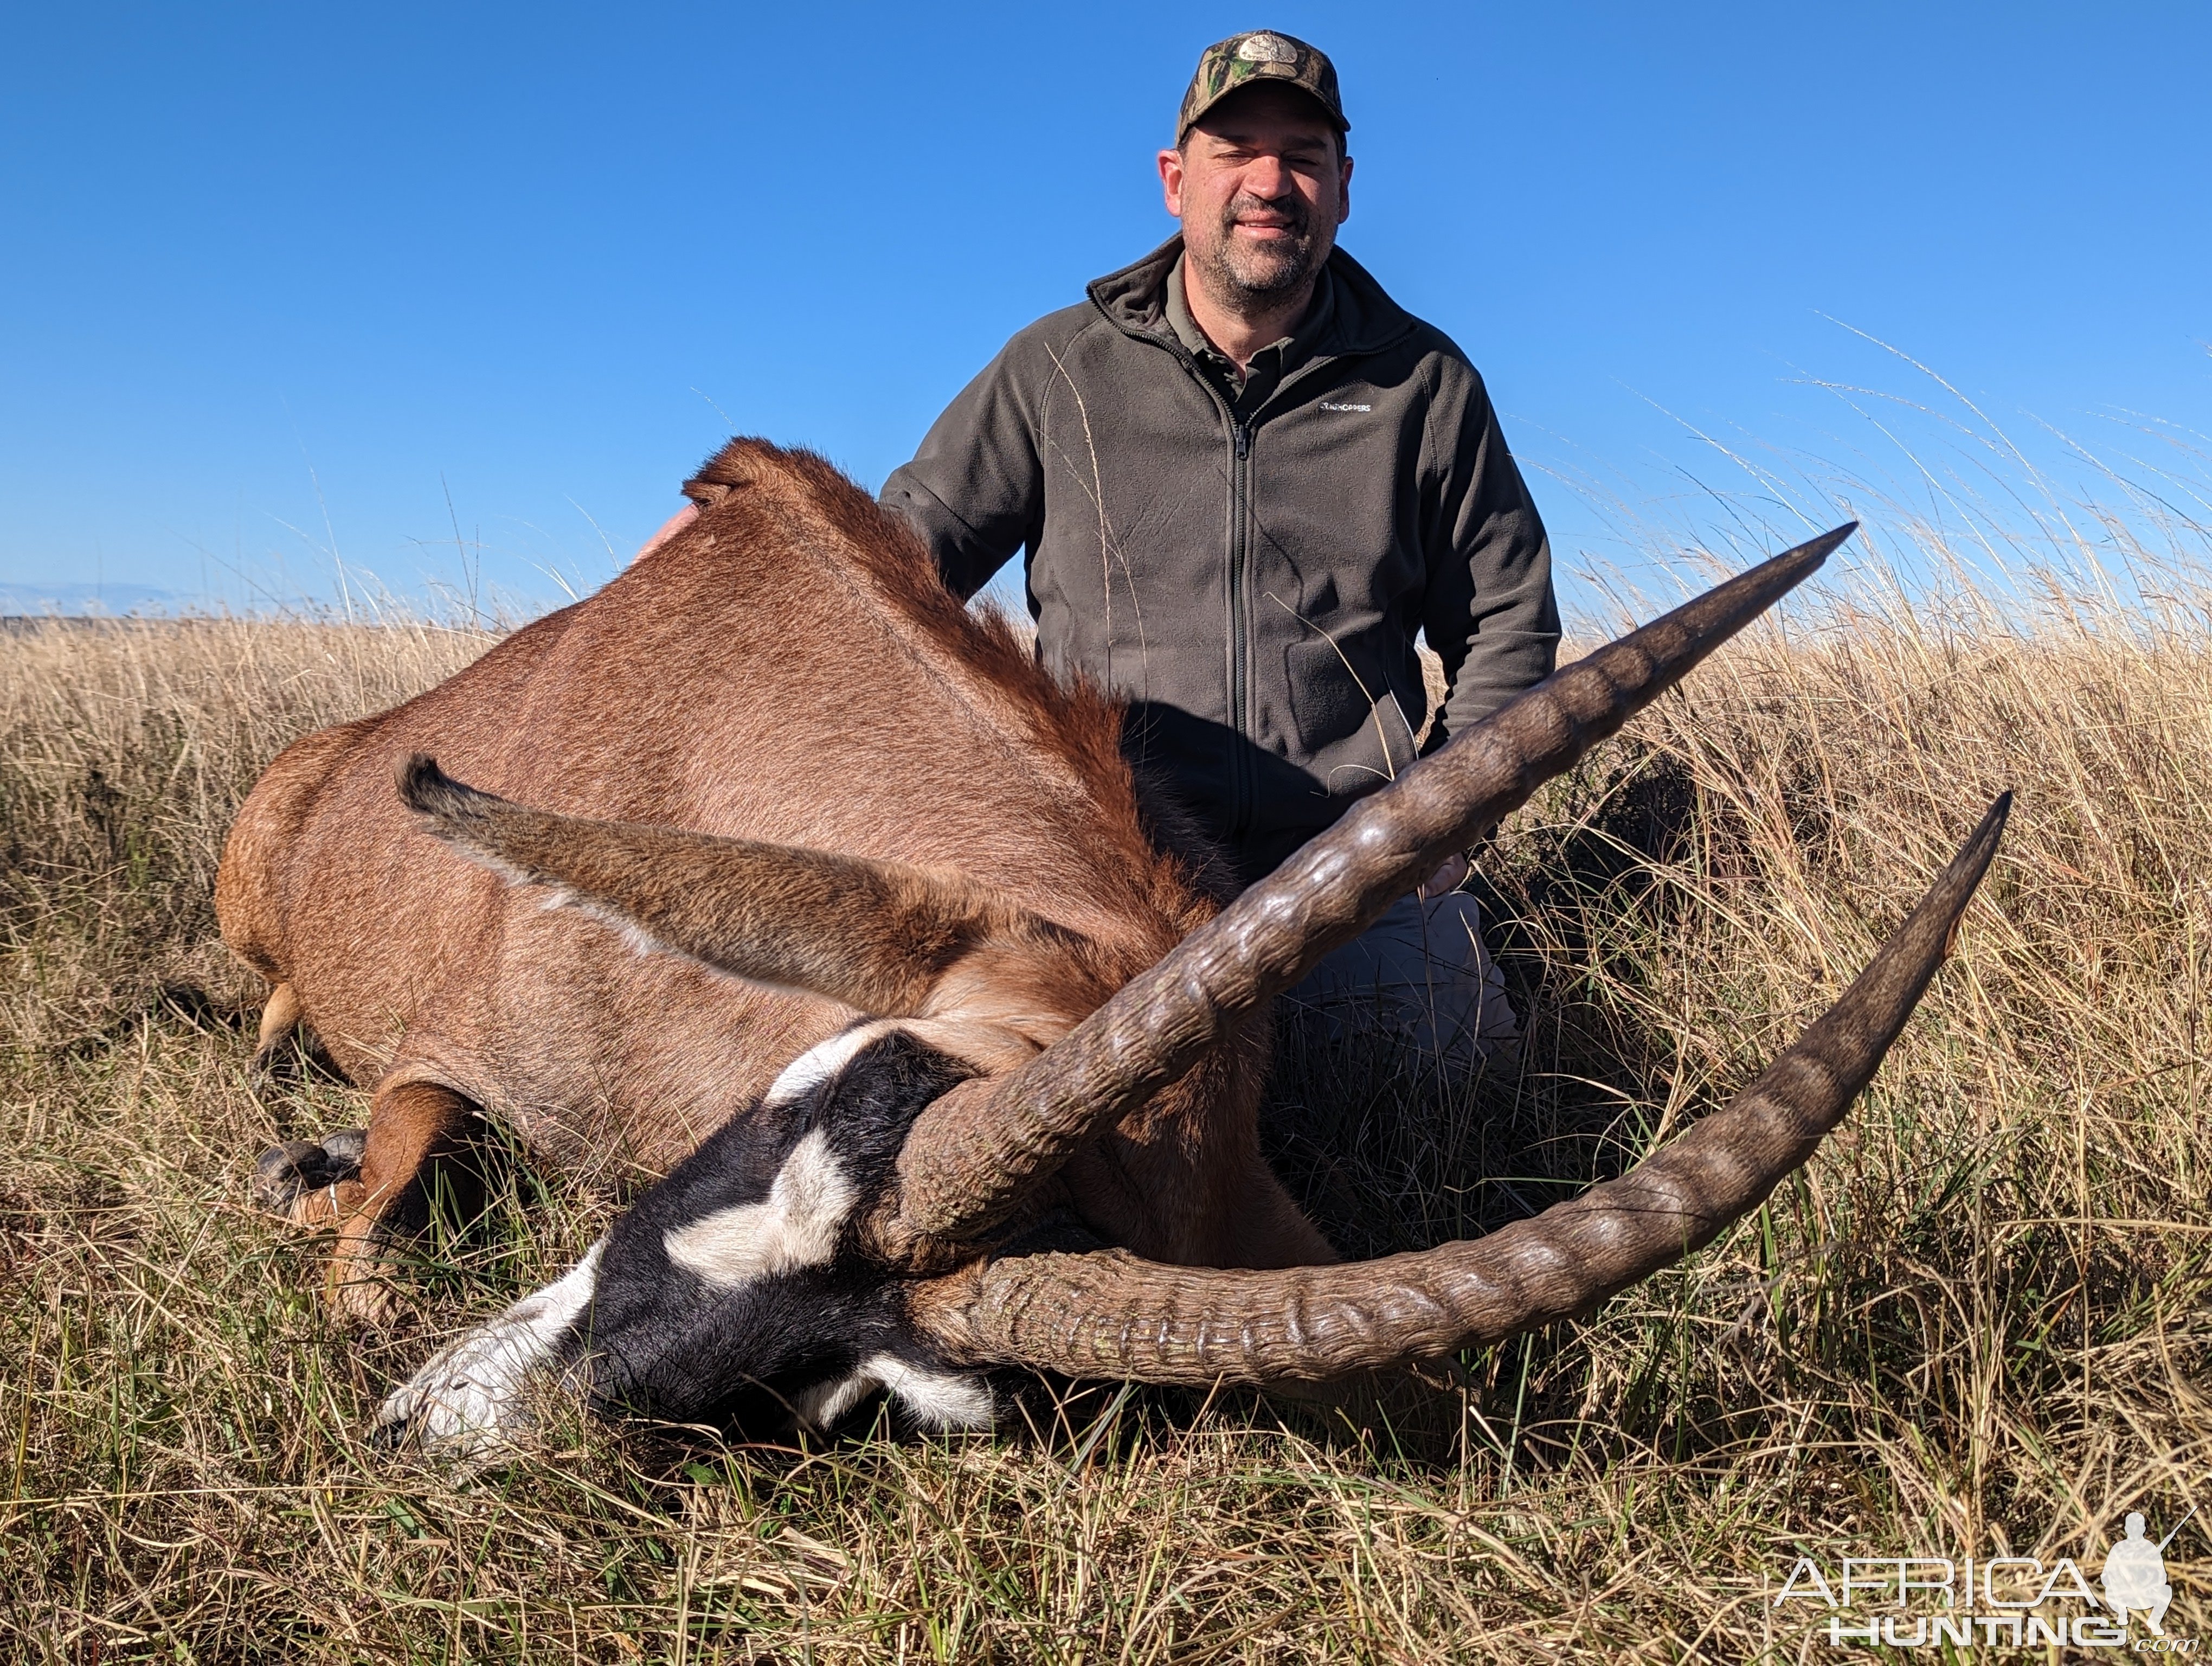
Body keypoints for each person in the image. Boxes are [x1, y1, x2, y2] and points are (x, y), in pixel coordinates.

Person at [654, 31, 1558, 1061]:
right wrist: (737, 556)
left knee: (1451, 1108)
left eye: (1303, 153)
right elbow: (896, 568)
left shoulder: (1426, 384)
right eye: (1235, 150)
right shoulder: (1057, 370)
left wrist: (1439, 818)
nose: (1270, 181)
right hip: (1105, 881)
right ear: (1177, 181)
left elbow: (1508, 625)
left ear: (1344, 187)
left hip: (1345, 876)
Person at [2101, 1512, 2172, 1634]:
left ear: (2144, 1529)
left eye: (2138, 1527)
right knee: (2109, 1591)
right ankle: (2122, 1616)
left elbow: (2162, 1576)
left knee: (2167, 1591)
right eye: (2131, 1527)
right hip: (2123, 1596)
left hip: (2146, 1595)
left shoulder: (2150, 1548)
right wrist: (2122, 1579)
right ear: (2126, 1529)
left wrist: (2147, 1582)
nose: (2135, 1530)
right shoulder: (2118, 1549)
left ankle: (2154, 1622)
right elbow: (2105, 1577)